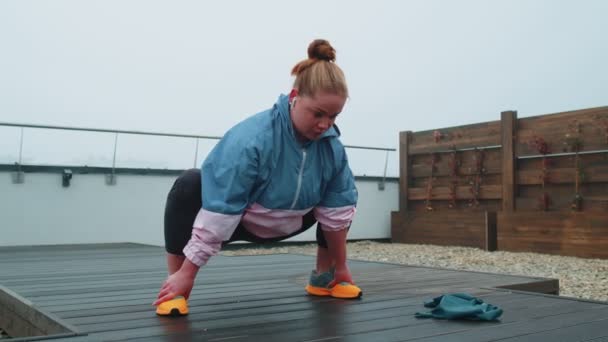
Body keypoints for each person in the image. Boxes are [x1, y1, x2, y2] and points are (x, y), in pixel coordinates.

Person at [153, 39, 361, 315]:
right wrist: (189, 271)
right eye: (318, 114)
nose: (325, 125)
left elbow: (337, 208)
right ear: (294, 97)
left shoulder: (331, 146)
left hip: (294, 219)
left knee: (342, 198)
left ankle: (325, 277)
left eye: (333, 116)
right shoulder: (252, 139)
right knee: (189, 184)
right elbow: (223, 207)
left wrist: (343, 267)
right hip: (243, 219)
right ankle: (176, 285)